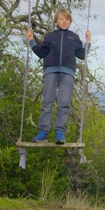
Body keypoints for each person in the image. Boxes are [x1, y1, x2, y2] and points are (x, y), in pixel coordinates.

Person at [26, 9, 91, 144]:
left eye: (67, 19)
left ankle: (59, 132)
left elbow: (82, 55)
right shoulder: (50, 36)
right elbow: (41, 53)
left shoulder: (74, 37)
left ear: (70, 22)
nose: (64, 21)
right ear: (56, 21)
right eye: (61, 19)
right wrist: (31, 40)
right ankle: (43, 132)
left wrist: (88, 42)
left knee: (64, 102)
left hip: (68, 73)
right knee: (47, 101)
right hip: (50, 71)